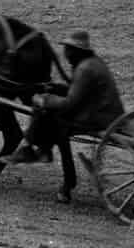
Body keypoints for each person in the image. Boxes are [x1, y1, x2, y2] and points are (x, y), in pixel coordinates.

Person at [17, 30, 126, 168]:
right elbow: (81, 91)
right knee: (48, 108)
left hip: (96, 117)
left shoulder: (84, 69)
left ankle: (33, 148)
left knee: (47, 112)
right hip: (102, 111)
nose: (66, 54)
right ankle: (42, 150)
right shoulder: (93, 62)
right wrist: (56, 88)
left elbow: (69, 103)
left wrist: (46, 100)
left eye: (68, 50)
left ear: (77, 51)